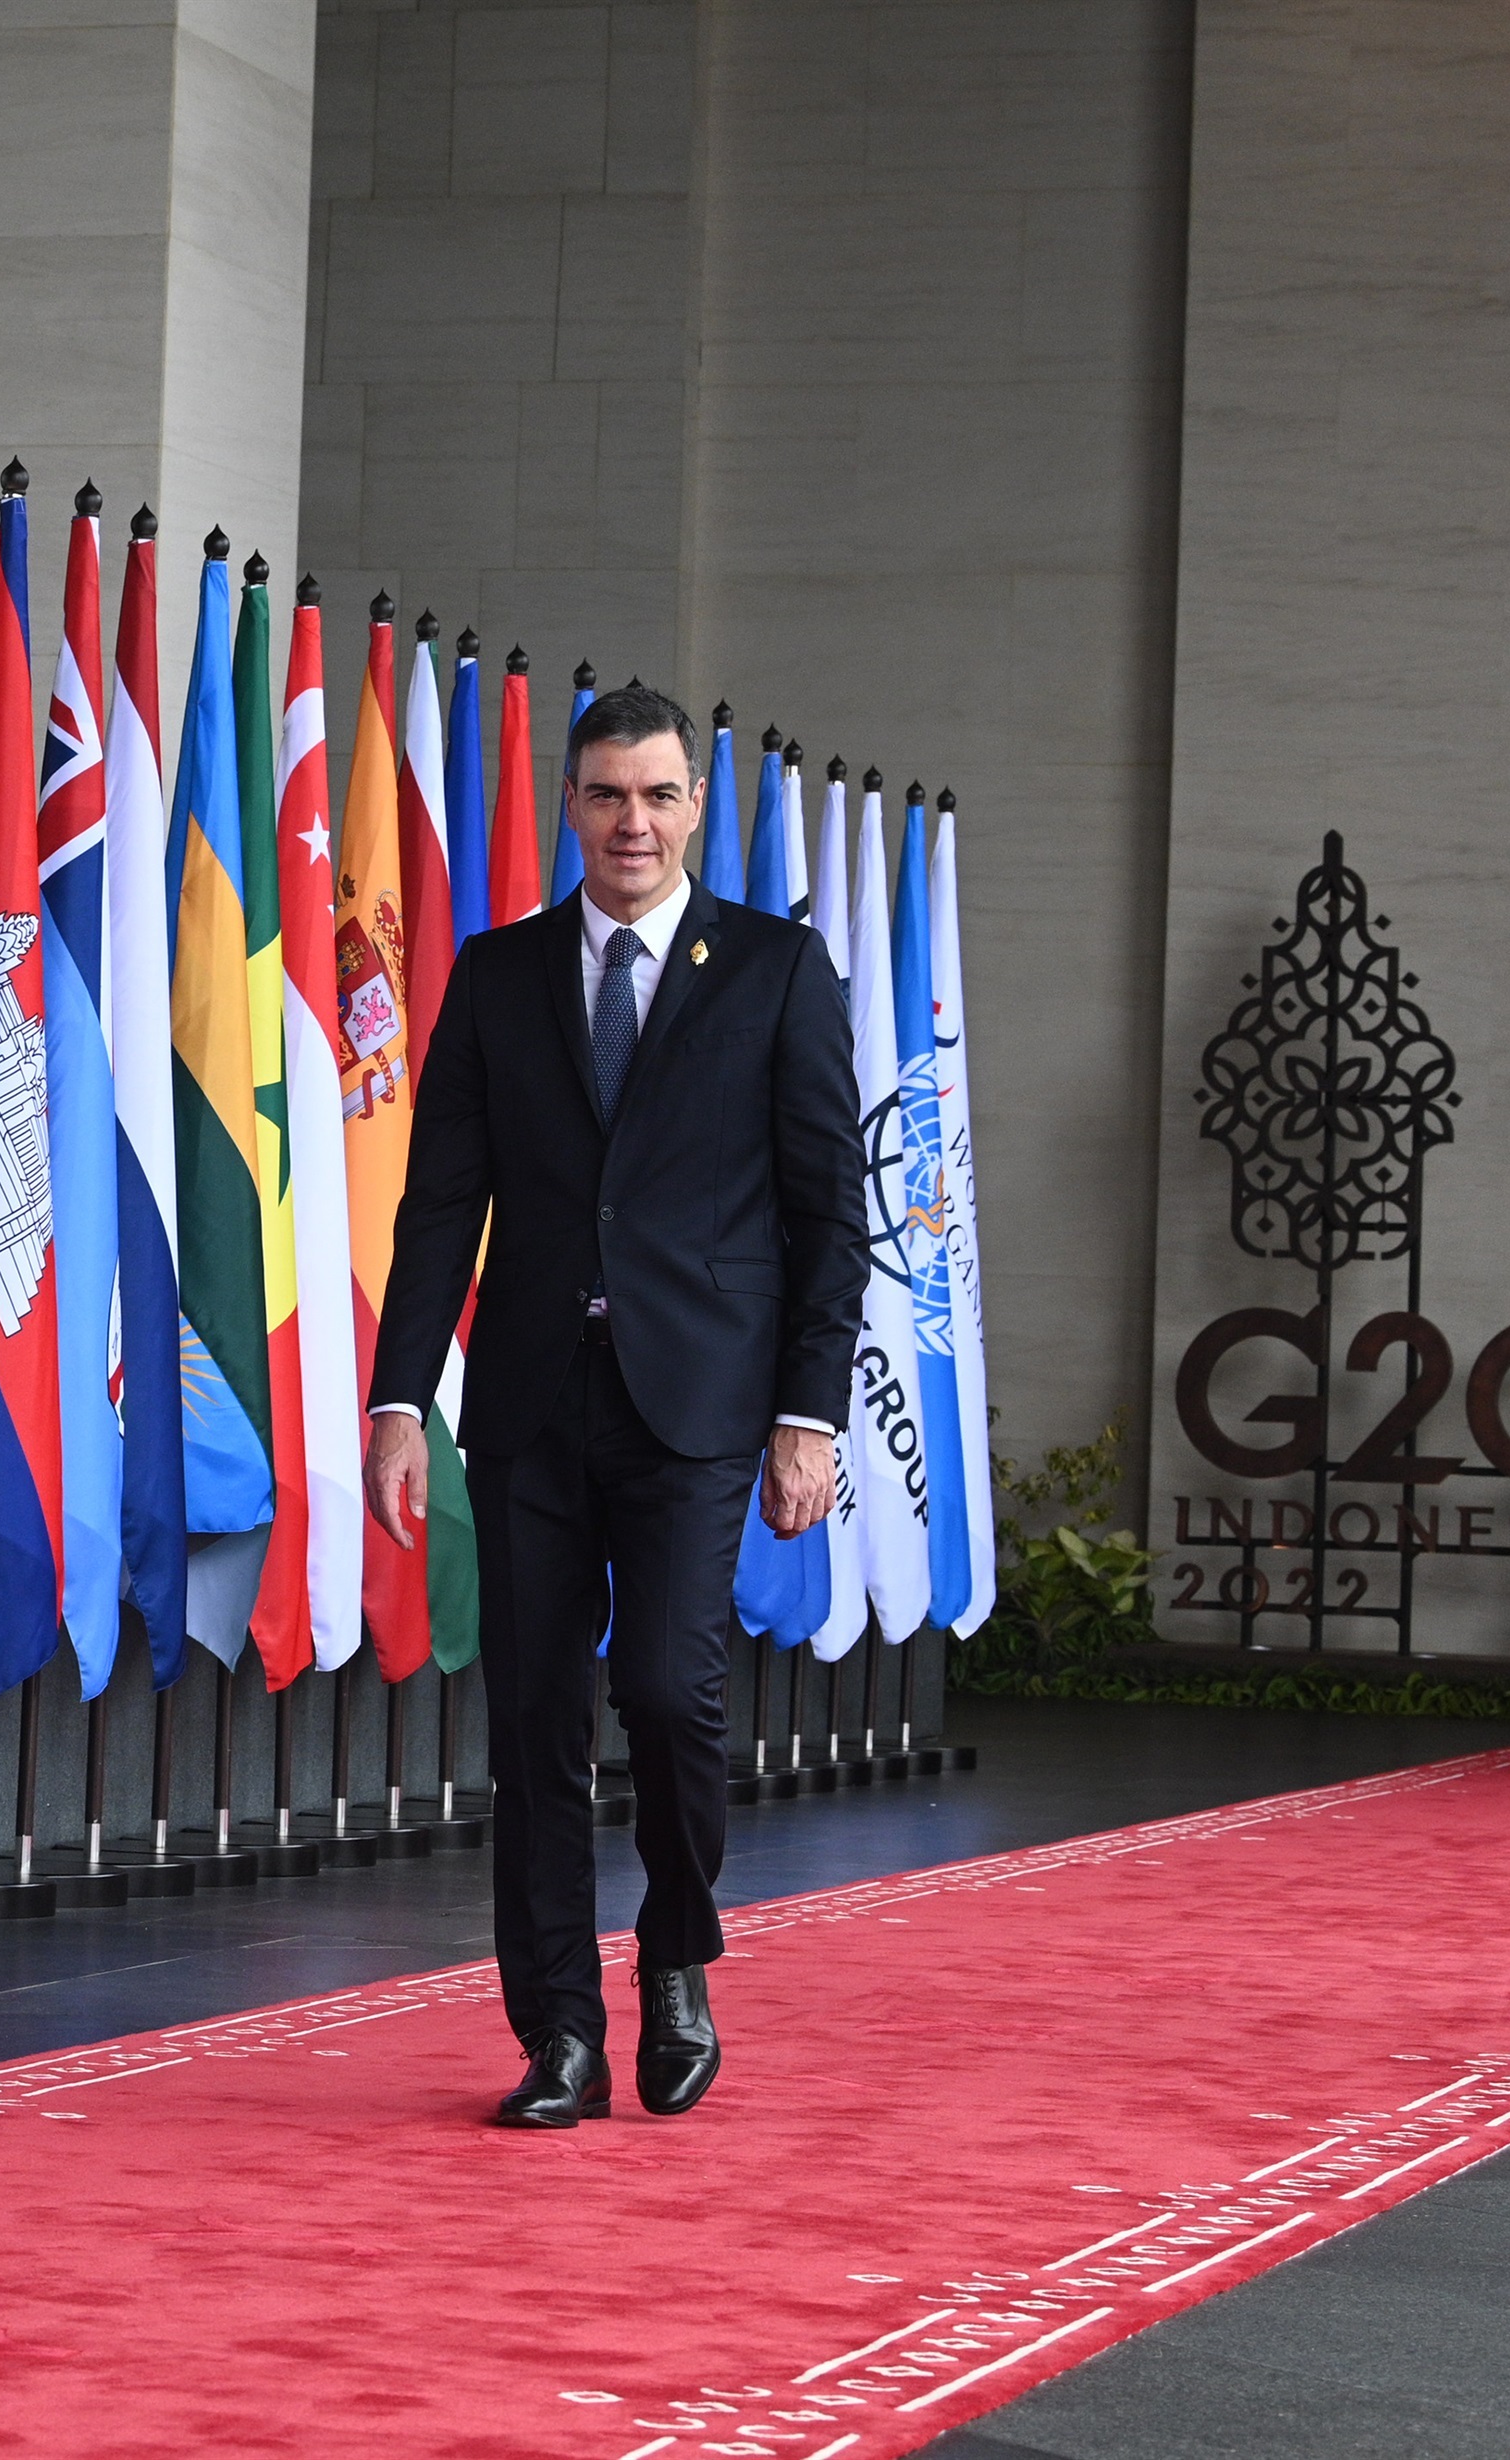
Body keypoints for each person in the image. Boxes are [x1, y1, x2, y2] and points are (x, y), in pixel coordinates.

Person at [362, 683, 863, 2128]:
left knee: (663, 1686)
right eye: (602, 795)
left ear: (694, 806)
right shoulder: (498, 972)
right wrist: (403, 1395)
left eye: (655, 795)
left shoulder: (774, 969)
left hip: (699, 1404)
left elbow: (830, 1213)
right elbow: (441, 1204)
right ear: (568, 806)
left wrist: (808, 1417)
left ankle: (680, 1961)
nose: (629, 822)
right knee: (531, 1718)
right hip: (528, 1401)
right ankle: (560, 2036)